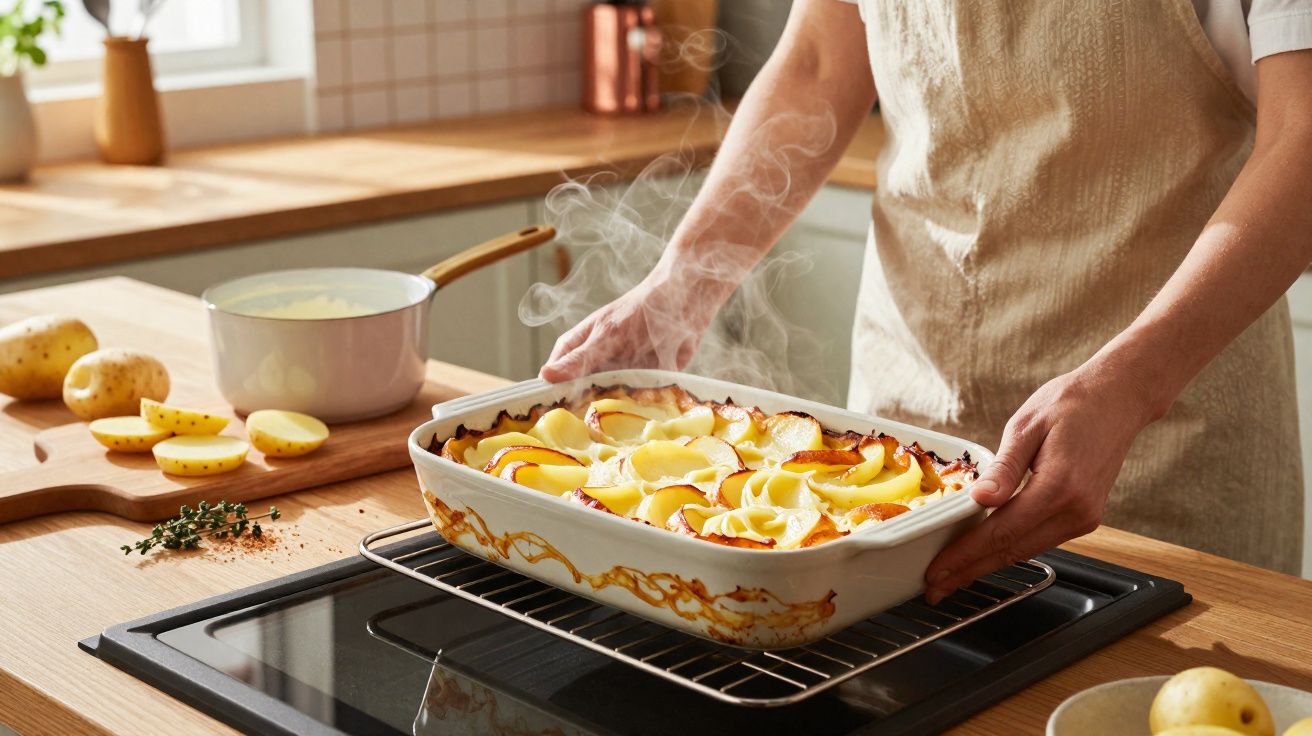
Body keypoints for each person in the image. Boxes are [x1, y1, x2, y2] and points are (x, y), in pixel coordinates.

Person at [540, 0, 1312, 601]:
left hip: (1157, 435)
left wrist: (1132, 383)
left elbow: (1303, 140)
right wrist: (684, 280)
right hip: (894, 440)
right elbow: (815, 63)